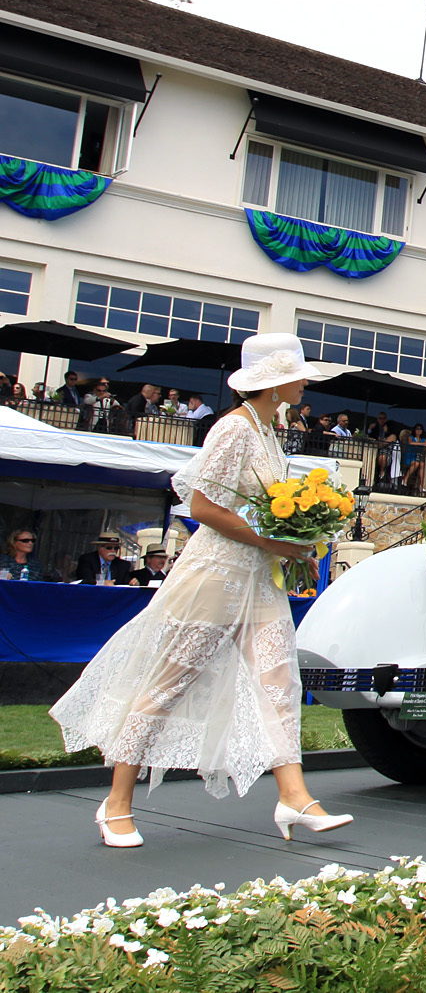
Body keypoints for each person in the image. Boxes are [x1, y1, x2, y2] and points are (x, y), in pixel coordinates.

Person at [50, 331, 354, 846]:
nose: (305, 383)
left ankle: (295, 796)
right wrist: (273, 541)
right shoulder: (233, 430)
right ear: (275, 381)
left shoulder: (268, 431)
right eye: (299, 375)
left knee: (278, 684)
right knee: (166, 685)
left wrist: (293, 536)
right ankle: (117, 804)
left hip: (258, 577)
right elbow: (204, 508)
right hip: (216, 576)